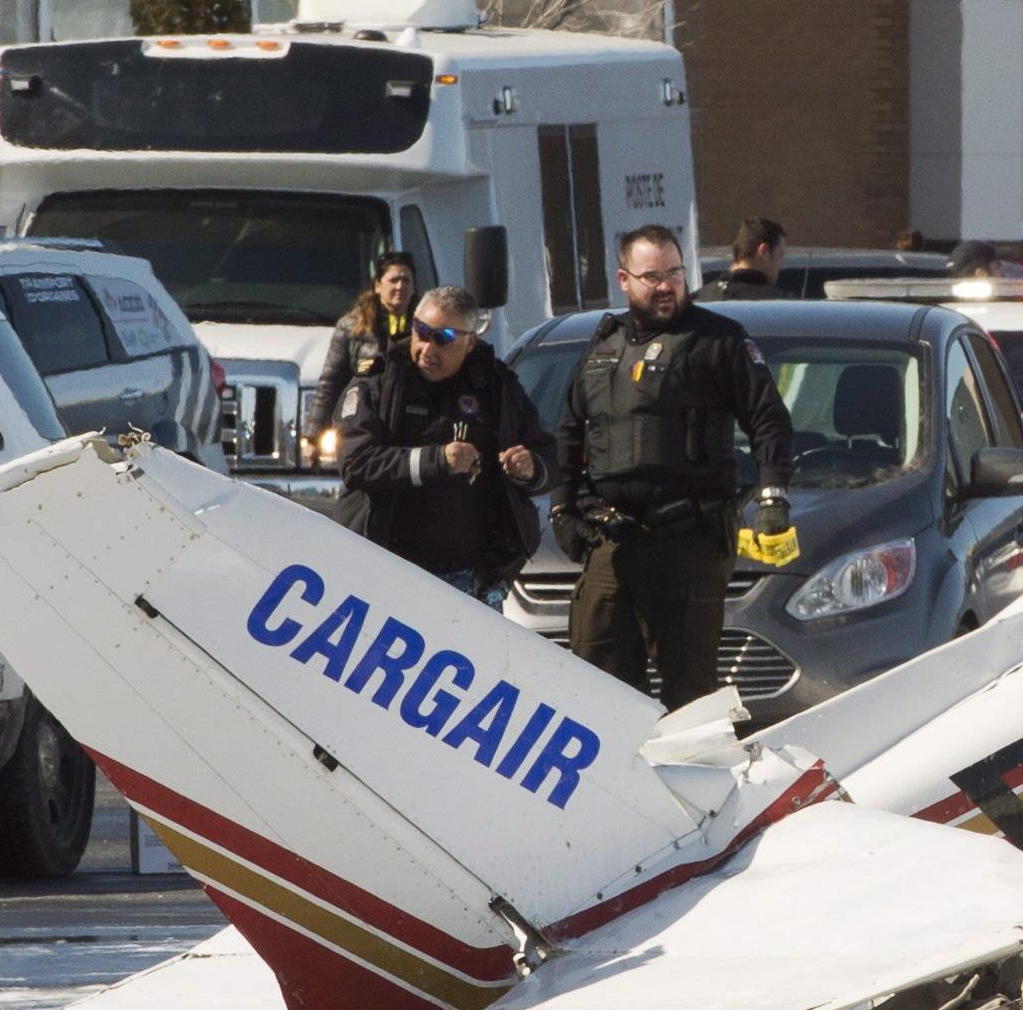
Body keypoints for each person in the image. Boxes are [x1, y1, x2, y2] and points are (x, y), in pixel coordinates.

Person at [552, 224, 796, 709]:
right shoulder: (603, 347)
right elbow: (569, 430)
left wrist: (773, 495)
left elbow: (769, 421)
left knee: (689, 693)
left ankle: (693, 783)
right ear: (624, 280)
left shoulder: (717, 341)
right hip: (614, 538)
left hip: (689, 537)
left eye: (675, 273)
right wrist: (562, 507)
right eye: (652, 276)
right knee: (596, 682)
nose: (666, 285)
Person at [334, 285, 553, 606]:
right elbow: (356, 463)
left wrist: (531, 467)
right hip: (388, 567)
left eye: (444, 338)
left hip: (469, 575)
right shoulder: (380, 380)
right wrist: (435, 461)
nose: (427, 347)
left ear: (469, 341)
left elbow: (549, 453)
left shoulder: (495, 386)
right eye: (421, 331)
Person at [306, 250, 416, 447]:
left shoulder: (423, 328)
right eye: (393, 280)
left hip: (409, 425)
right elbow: (331, 381)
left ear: (414, 286)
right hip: (363, 422)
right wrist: (314, 435)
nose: (400, 286)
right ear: (378, 286)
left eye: (406, 280)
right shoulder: (351, 326)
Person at [693, 216, 786, 301]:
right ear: (763, 251)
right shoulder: (781, 305)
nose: (781, 265)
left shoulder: (698, 299)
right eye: (780, 255)